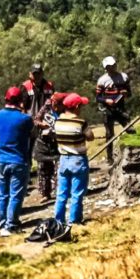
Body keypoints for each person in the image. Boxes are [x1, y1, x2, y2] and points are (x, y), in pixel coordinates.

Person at [0, 87, 34, 236]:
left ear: (6, 99)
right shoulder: (24, 118)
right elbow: (31, 131)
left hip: (1, 159)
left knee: (3, 194)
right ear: (20, 101)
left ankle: (2, 222)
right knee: (16, 194)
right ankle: (11, 224)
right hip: (18, 159)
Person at [54, 93, 94, 225]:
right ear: (76, 106)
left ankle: (58, 220)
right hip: (78, 159)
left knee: (62, 193)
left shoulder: (58, 121)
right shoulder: (80, 122)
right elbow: (90, 136)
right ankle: (74, 220)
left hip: (63, 159)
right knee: (76, 193)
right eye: (80, 106)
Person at [96, 56, 134, 164]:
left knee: (130, 129)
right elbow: (98, 97)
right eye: (109, 66)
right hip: (108, 109)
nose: (112, 68)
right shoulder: (102, 80)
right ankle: (109, 158)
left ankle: (131, 152)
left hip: (120, 108)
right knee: (109, 134)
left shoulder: (123, 77)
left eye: (113, 65)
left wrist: (126, 93)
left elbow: (129, 92)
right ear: (106, 68)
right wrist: (106, 100)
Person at [20, 64, 55, 182]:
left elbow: (53, 102)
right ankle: (27, 173)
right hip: (30, 122)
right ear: (30, 74)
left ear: (42, 73)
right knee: (28, 148)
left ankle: (48, 174)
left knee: (47, 148)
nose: (37, 76)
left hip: (46, 121)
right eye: (34, 73)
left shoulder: (49, 85)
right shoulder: (25, 87)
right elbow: (23, 107)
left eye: (39, 73)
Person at [33, 92, 68, 201]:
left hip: (57, 143)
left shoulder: (66, 111)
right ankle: (45, 193)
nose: (55, 106)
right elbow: (36, 119)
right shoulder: (46, 107)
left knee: (59, 169)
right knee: (43, 169)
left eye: (58, 104)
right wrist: (41, 124)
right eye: (54, 103)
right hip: (43, 142)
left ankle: (60, 192)